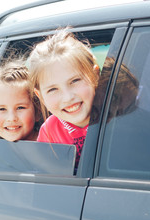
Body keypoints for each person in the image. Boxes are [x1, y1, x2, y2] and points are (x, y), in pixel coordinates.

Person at [28, 28, 100, 172]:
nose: (68, 97)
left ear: (95, 74)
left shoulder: (119, 116)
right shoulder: (49, 132)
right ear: (40, 95)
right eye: (53, 89)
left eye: (75, 81)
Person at [0, 59, 41, 142]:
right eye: (1, 109)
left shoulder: (52, 144)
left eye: (20, 108)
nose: (11, 118)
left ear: (37, 111)